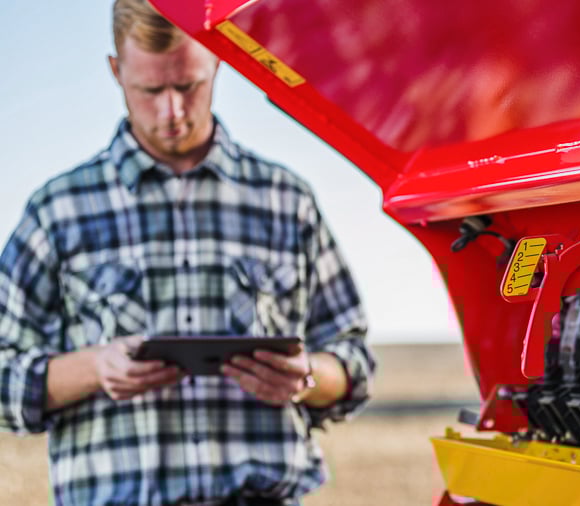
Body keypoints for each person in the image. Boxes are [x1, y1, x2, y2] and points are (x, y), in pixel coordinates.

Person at [0, 0, 376, 504]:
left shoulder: (286, 201)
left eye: (188, 86)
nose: (171, 112)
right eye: (151, 90)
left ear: (218, 62)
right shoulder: (57, 210)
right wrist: (94, 368)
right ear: (116, 71)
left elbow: (354, 364)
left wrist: (305, 376)